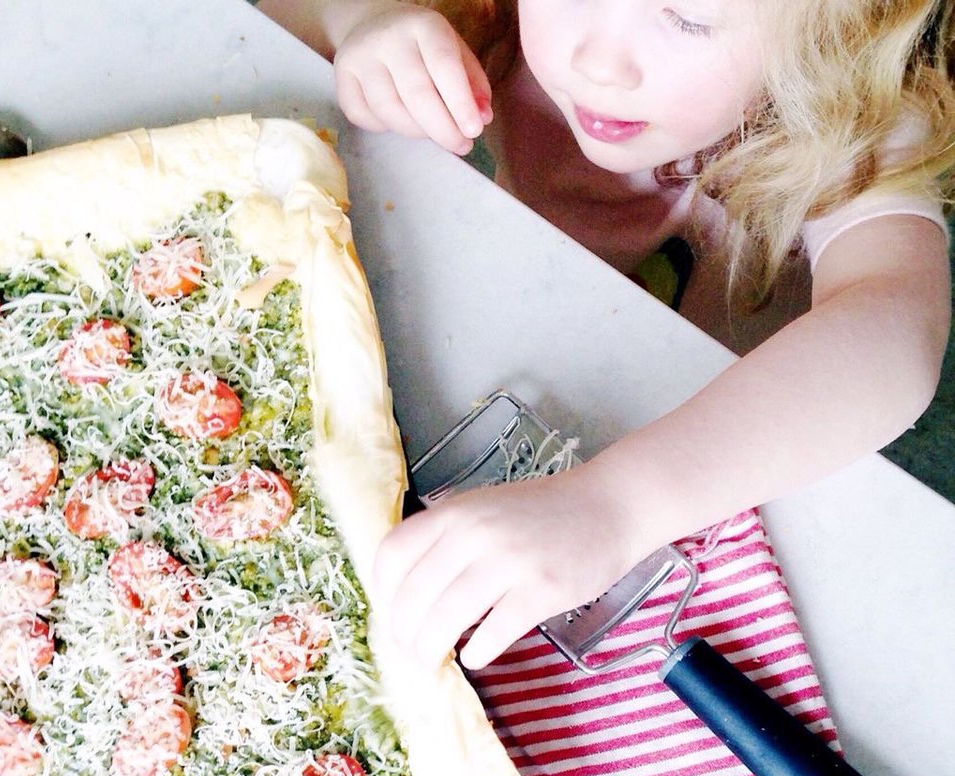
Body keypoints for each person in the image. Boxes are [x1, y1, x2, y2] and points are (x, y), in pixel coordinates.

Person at [260, 0, 955, 671]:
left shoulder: (860, 115)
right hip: (527, 368)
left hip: (730, 446)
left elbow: (894, 333)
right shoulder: (499, 17)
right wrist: (364, 23)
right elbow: (274, 17)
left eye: (687, 17)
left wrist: (617, 508)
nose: (598, 63)